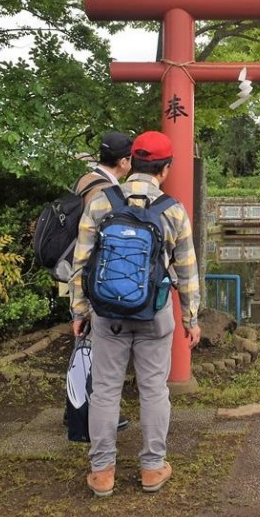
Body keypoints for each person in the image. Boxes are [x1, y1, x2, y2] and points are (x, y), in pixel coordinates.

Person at [70, 130, 201, 497]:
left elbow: (82, 263)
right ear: (165, 168)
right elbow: (188, 270)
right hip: (155, 315)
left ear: (132, 162)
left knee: (106, 391)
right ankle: (152, 467)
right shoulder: (172, 210)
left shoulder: (101, 202)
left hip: (107, 314)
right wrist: (191, 318)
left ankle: (102, 473)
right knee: (154, 389)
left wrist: (80, 311)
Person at [64, 131, 133, 434]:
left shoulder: (86, 180)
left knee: (84, 347)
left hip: (76, 271)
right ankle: (87, 414)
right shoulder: (104, 191)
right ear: (123, 161)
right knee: (94, 349)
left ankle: (77, 410)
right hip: (94, 278)